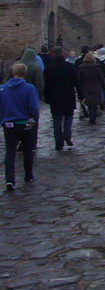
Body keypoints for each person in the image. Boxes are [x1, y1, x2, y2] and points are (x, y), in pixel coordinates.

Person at [1, 63, 40, 191]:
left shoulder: (3, 89)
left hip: (9, 124)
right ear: (25, 73)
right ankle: (28, 175)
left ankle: (9, 180)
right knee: (28, 150)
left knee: (10, 152)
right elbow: (34, 107)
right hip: (25, 124)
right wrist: (34, 119)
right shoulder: (29, 88)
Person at [43, 46, 79, 150]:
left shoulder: (49, 68)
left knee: (56, 119)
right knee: (69, 116)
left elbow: (47, 85)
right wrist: (81, 95)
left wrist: (46, 98)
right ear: (64, 55)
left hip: (54, 97)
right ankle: (67, 133)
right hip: (68, 95)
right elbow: (76, 82)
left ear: (53, 55)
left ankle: (59, 143)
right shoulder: (70, 66)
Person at [77, 52, 105, 125]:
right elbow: (101, 78)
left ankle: (91, 116)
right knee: (94, 103)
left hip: (86, 87)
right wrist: (104, 87)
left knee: (89, 102)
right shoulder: (97, 67)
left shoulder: (81, 68)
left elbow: (79, 80)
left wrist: (79, 88)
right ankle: (92, 117)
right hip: (96, 87)